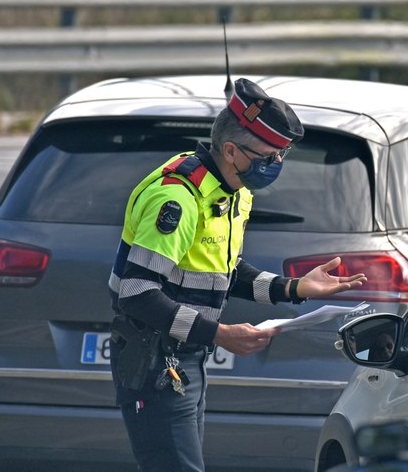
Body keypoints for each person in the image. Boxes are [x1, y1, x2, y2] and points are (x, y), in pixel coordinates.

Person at [107, 78, 368, 472]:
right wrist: (222, 334)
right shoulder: (179, 197)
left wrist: (293, 288)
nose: (276, 164)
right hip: (155, 359)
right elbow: (136, 291)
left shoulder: (232, 191)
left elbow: (224, 271)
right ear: (230, 150)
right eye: (268, 155)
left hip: (186, 357)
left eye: (283, 154)